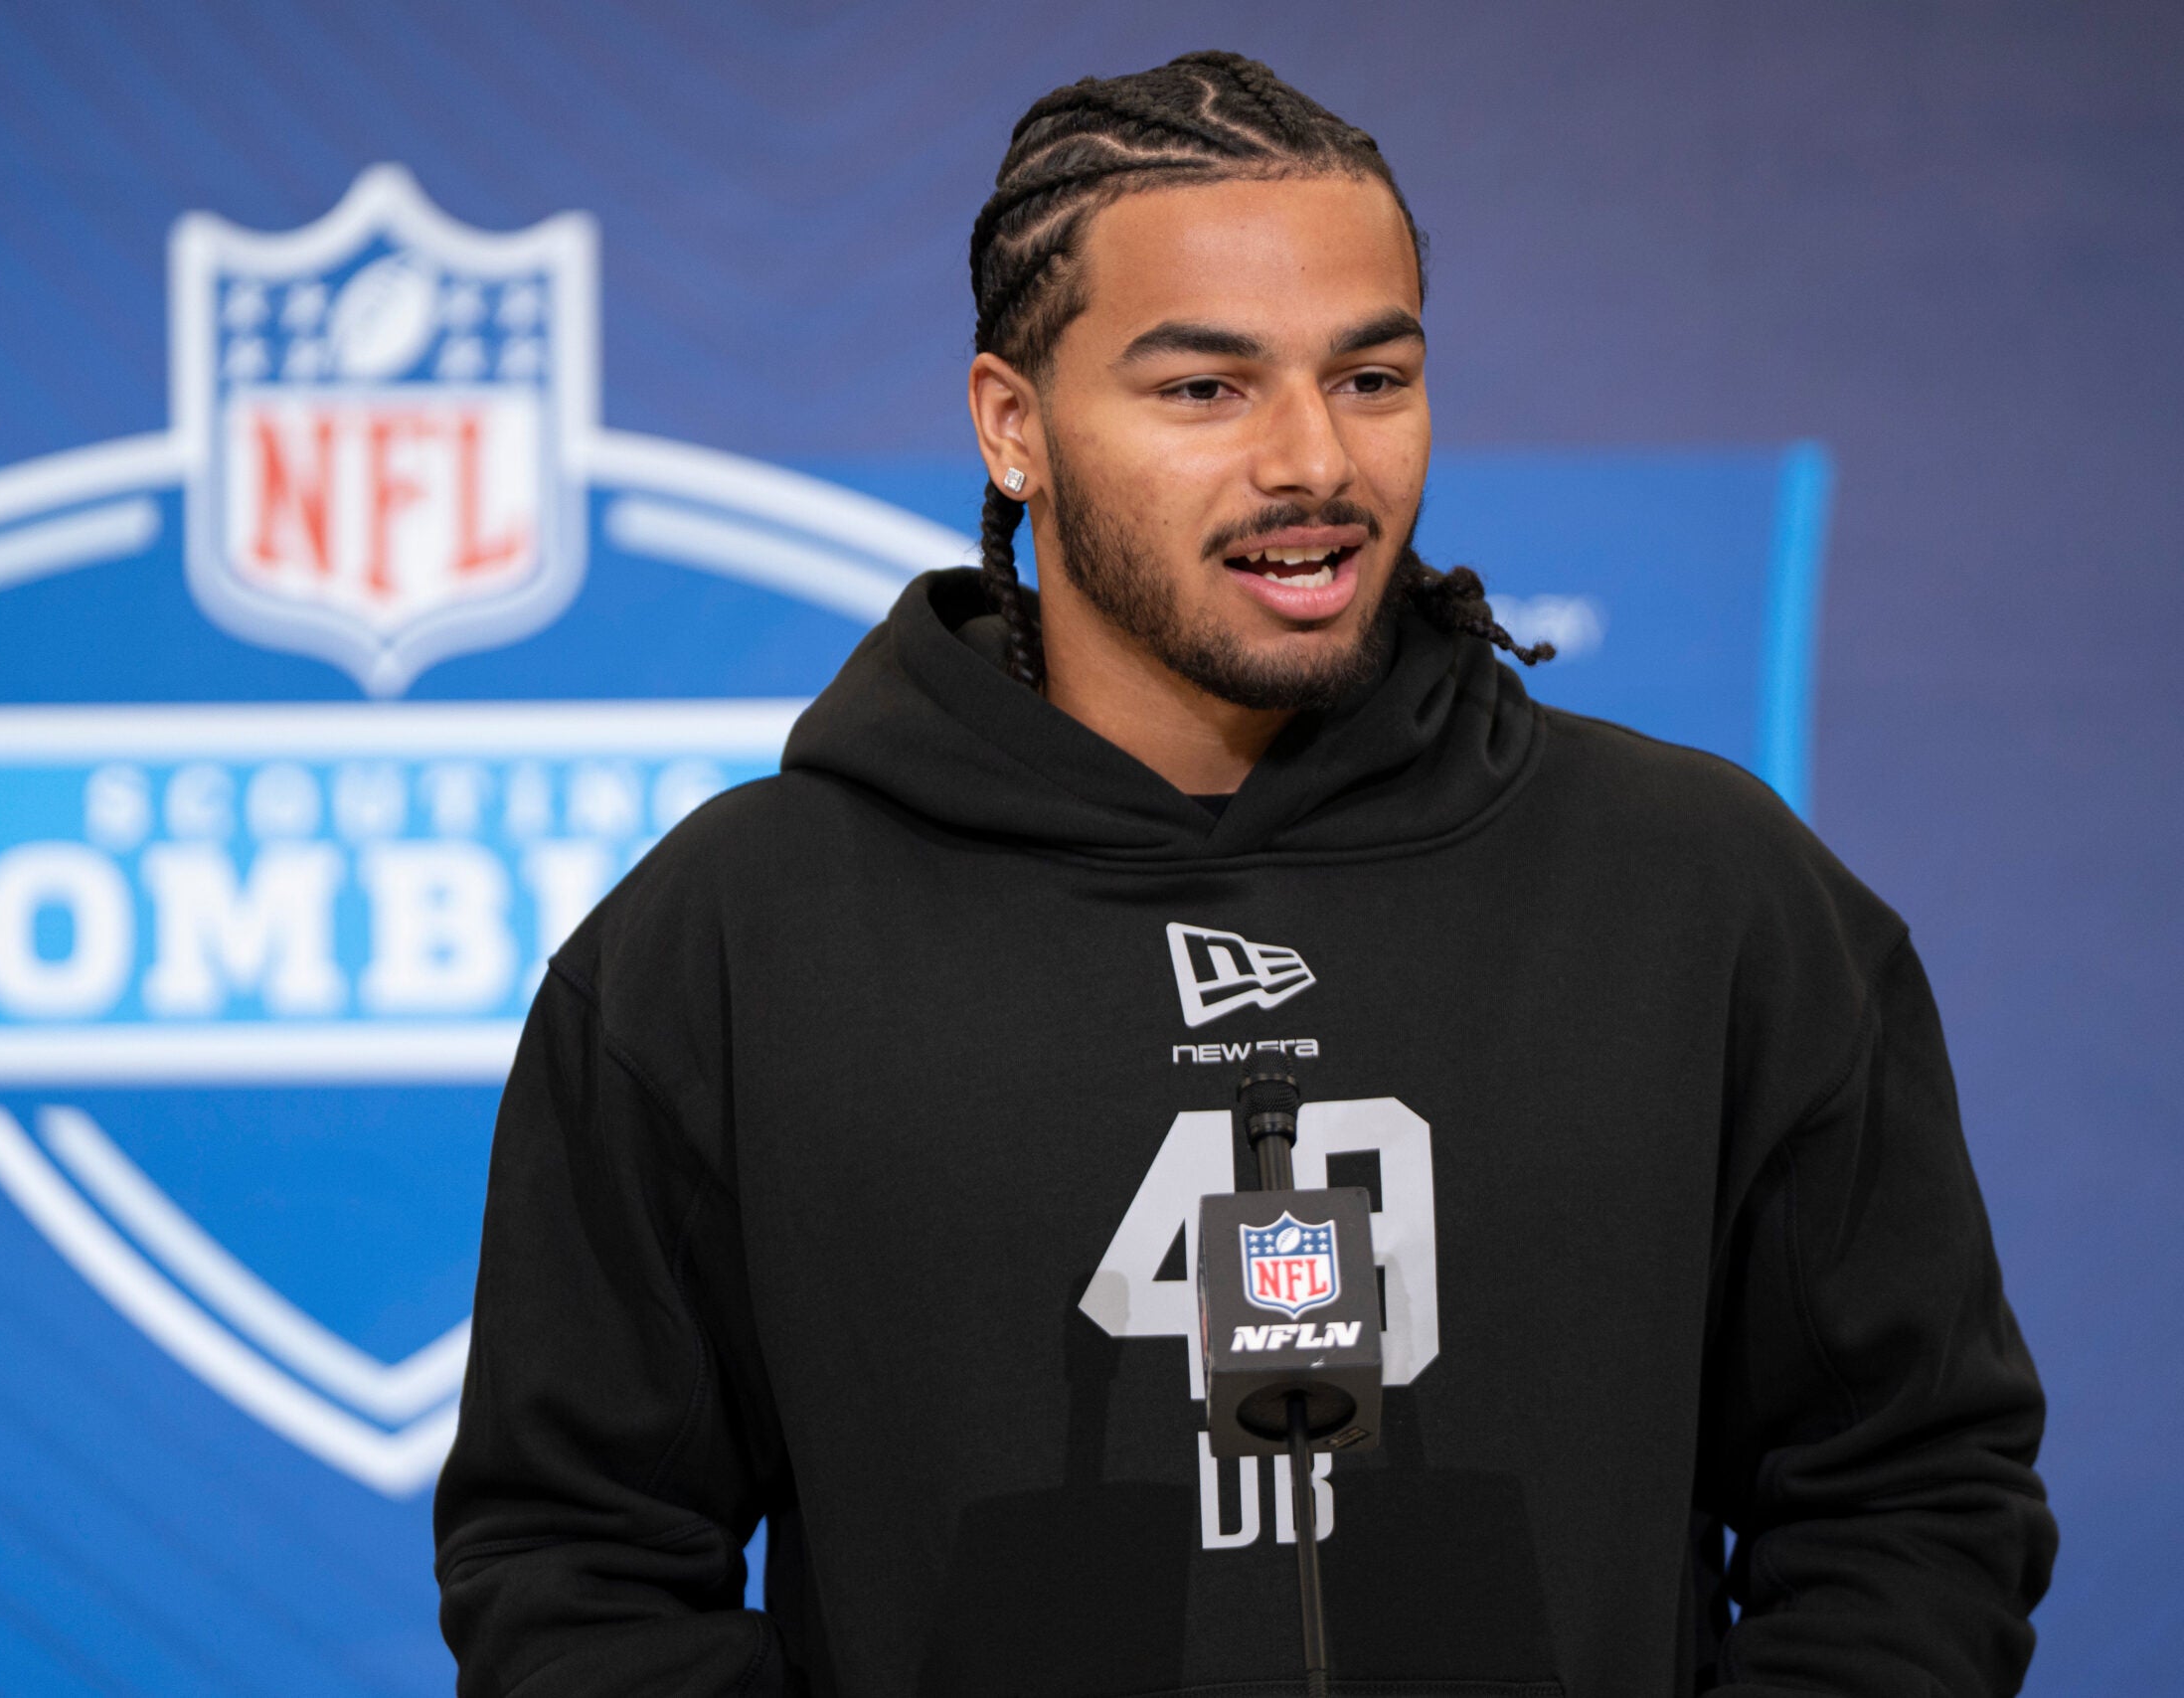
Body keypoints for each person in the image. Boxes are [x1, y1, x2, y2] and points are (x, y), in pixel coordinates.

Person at [433, 50, 2054, 1697]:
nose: (1314, 466)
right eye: (1205, 389)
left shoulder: (1714, 899)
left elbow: (1916, 1504)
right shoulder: (724, 946)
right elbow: (576, 1569)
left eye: (1371, 377)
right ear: (1015, 426)